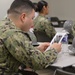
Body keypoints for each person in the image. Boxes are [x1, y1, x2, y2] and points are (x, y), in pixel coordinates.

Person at [0, 0, 61, 75]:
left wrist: (36, 49)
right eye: (32, 18)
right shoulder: (13, 34)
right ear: (23, 17)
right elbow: (38, 63)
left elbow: (16, 51)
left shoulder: (3, 25)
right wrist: (54, 50)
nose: (33, 23)